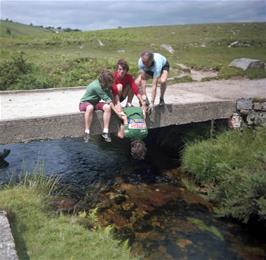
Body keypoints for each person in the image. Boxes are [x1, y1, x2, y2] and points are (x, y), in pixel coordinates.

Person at [79, 69, 124, 143]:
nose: (111, 84)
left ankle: (105, 131)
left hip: (94, 103)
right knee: (90, 107)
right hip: (84, 103)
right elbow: (108, 100)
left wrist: (119, 109)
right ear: (105, 82)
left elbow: (111, 99)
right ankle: (87, 132)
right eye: (110, 82)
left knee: (107, 107)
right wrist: (117, 113)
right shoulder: (97, 87)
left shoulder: (105, 86)